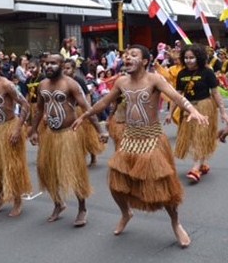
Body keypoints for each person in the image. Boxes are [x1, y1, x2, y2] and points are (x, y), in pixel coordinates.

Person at [72, 44, 209, 248]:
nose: (127, 57)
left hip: (152, 139)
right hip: (129, 138)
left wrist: (193, 111)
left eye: (133, 55)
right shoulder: (121, 81)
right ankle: (126, 213)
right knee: (115, 184)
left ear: (145, 61)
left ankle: (176, 223)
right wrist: (85, 115)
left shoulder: (154, 79)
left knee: (164, 188)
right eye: (126, 55)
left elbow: (176, 96)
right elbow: (104, 102)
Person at [29, 54, 106, 225]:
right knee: (47, 170)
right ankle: (58, 203)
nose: (48, 66)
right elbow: (39, 110)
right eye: (46, 63)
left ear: (62, 65)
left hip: (68, 134)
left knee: (75, 171)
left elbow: (87, 108)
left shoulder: (71, 84)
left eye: (53, 63)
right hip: (50, 135)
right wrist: (33, 130)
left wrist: (99, 131)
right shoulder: (42, 85)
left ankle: (82, 208)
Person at [166, 43, 228, 183]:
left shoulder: (207, 72)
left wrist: (223, 113)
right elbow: (178, 95)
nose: (188, 60)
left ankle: (195, 168)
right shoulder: (182, 74)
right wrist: (170, 113)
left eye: (192, 57)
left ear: (198, 58)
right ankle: (203, 164)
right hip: (188, 109)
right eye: (186, 58)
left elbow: (216, 94)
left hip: (205, 108)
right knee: (192, 138)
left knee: (200, 136)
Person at [0, 57, 32, 217]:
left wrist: (17, 129)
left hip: (10, 126)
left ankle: (17, 201)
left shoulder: (7, 85)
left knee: (12, 166)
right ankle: (0, 197)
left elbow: (25, 105)